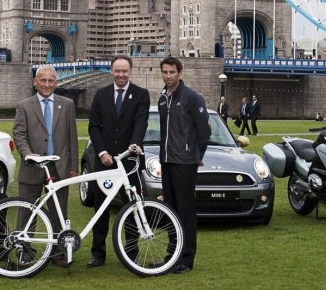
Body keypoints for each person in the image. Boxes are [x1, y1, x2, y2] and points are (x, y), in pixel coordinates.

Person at [86, 55, 150, 269]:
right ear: (111, 71)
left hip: (129, 160)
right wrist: (102, 152)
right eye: (117, 71)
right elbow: (94, 126)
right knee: (100, 209)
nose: (121, 75)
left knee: (133, 207)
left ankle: (131, 252)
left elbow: (141, 123)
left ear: (130, 71)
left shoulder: (141, 95)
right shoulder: (101, 95)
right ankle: (98, 254)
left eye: (124, 71)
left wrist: (134, 145)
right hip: (104, 161)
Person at [12, 65, 79, 267]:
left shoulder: (67, 104)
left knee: (59, 213)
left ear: (56, 83)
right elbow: (19, 134)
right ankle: (25, 250)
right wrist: (27, 154)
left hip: (59, 167)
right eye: (43, 80)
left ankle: (58, 253)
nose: (47, 84)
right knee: (27, 211)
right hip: (32, 166)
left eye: (51, 81)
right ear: (35, 82)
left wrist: (73, 167)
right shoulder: (24, 105)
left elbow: (72, 138)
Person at [157, 56, 210, 275]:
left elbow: (204, 130)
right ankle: (172, 255)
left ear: (180, 73)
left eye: (171, 72)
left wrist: (197, 154)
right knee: (170, 210)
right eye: (165, 72)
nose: (168, 76)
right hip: (167, 160)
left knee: (185, 211)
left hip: (185, 162)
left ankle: (186, 258)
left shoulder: (192, 98)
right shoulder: (162, 98)